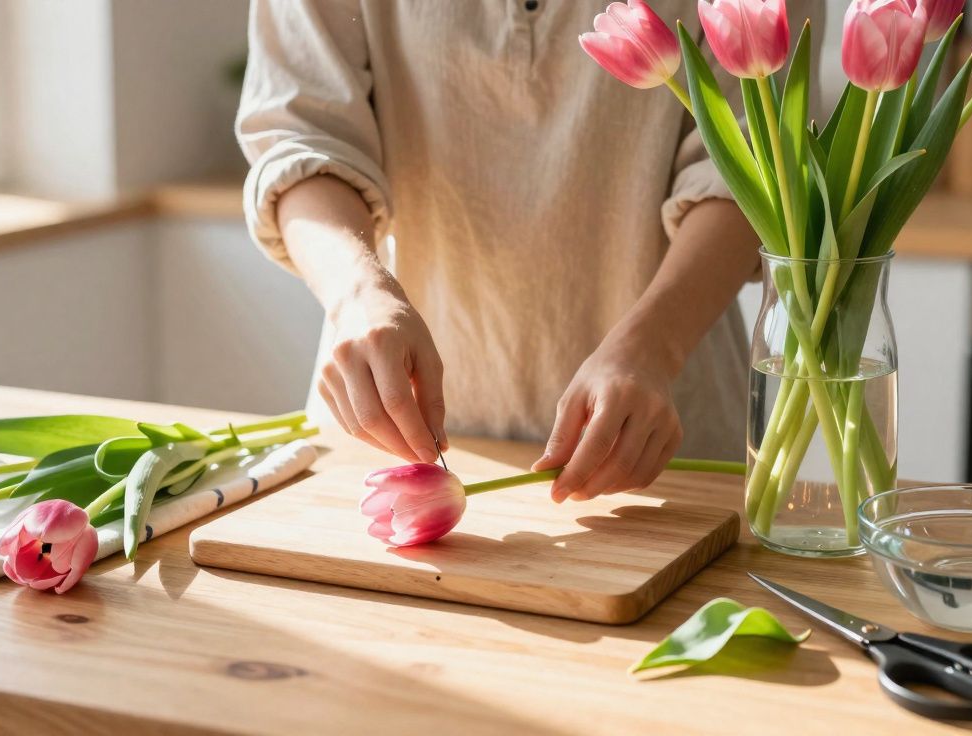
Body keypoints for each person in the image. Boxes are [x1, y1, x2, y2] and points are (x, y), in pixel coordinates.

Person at [237, 0, 822, 503]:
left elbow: (760, 158)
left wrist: (654, 347)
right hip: (377, 431)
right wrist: (357, 294)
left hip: (659, 442)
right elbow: (300, 133)